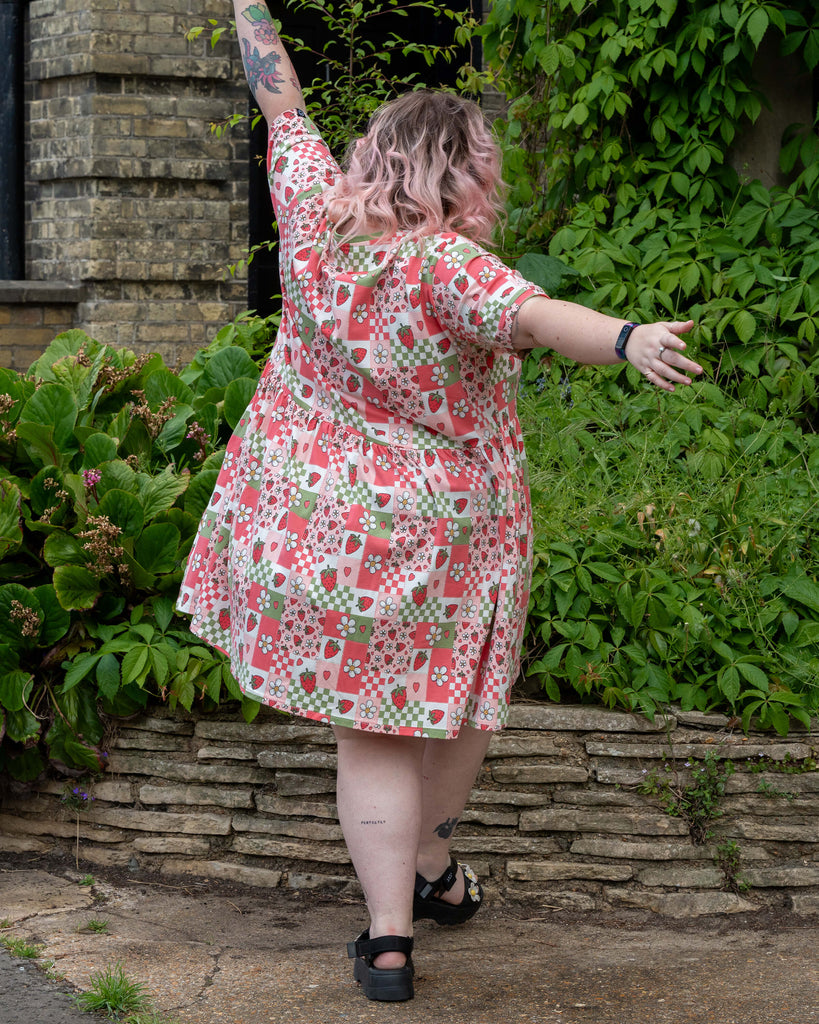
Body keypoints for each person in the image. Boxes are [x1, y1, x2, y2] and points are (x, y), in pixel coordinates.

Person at [176, 0, 704, 1004]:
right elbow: (538, 317)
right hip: (438, 540)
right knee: (455, 707)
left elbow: (279, 103)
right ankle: (430, 862)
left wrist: (249, 4)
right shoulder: (444, 261)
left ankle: (390, 937)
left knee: (370, 736)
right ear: (465, 175)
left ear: (377, 159)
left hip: (310, 529)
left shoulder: (316, 220)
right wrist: (629, 336)